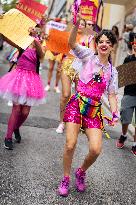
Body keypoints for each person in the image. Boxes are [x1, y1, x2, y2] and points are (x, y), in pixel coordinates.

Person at [57, 14, 119, 197]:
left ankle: (81, 172)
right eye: (101, 41)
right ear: (97, 43)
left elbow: (112, 95)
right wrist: (76, 26)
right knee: (70, 145)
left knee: (96, 149)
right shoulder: (88, 56)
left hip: (93, 111)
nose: (104, 44)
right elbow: (71, 44)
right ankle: (66, 178)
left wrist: (114, 111)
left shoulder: (112, 72)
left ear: (112, 47)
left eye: (108, 42)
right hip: (77, 104)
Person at [0, 29, 46, 150]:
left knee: (25, 112)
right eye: (31, 27)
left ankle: (16, 127)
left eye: (35, 28)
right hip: (18, 78)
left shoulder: (38, 43)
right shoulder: (22, 41)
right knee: (16, 109)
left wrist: (35, 38)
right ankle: (8, 137)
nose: (33, 29)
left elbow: (42, 55)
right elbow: (6, 38)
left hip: (32, 80)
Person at [56, 19, 96, 134]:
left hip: (81, 68)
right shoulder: (69, 35)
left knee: (79, 97)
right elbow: (60, 49)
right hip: (68, 65)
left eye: (83, 24)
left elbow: (92, 53)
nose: (80, 26)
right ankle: (62, 122)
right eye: (78, 24)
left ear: (84, 27)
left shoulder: (89, 38)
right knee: (65, 95)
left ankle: (75, 121)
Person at [116, 32, 136, 156]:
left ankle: (135, 144)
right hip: (129, 93)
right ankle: (123, 135)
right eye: (134, 42)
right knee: (125, 118)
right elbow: (122, 78)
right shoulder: (128, 59)